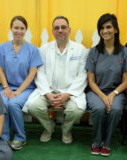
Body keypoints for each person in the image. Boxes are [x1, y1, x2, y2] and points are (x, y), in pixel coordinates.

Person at [23, 16, 87, 144]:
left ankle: (66, 130)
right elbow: (39, 73)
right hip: (49, 90)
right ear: (52, 31)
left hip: (70, 92)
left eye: (63, 27)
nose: (60, 30)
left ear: (69, 30)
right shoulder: (44, 49)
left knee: (77, 110)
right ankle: (49, 127)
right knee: (33, 107)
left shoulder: (80, 50)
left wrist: (67, 94)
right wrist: (48, 94)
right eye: (56, 28)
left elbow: (82, 76)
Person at [85, 13, 127, 156]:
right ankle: (97, 141)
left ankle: (107, 142)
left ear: (116, 30)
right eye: (102, 28)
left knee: (116, 109)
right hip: (95, 91)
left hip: (116, 92)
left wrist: (112, 95)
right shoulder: (94, 52)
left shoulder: (125, 52)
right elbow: (91, 81)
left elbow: (126, 82)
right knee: (99, 109)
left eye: (108, 27)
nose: (105, 31)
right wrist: (102, 96)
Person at [0, 16, 43, 150]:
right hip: (6, 86)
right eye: (16, 28)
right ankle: (3, 138)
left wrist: (18, 91)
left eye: (22, 28)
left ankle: (20, 137)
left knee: (14, 103)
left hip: (25, 89)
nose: (19, 31)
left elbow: (32, 74)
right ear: (11, 28)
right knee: (2, 102)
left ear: (26, 30)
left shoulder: (32, 50)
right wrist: (6, 88)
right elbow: (0, 70)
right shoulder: (3, 47)